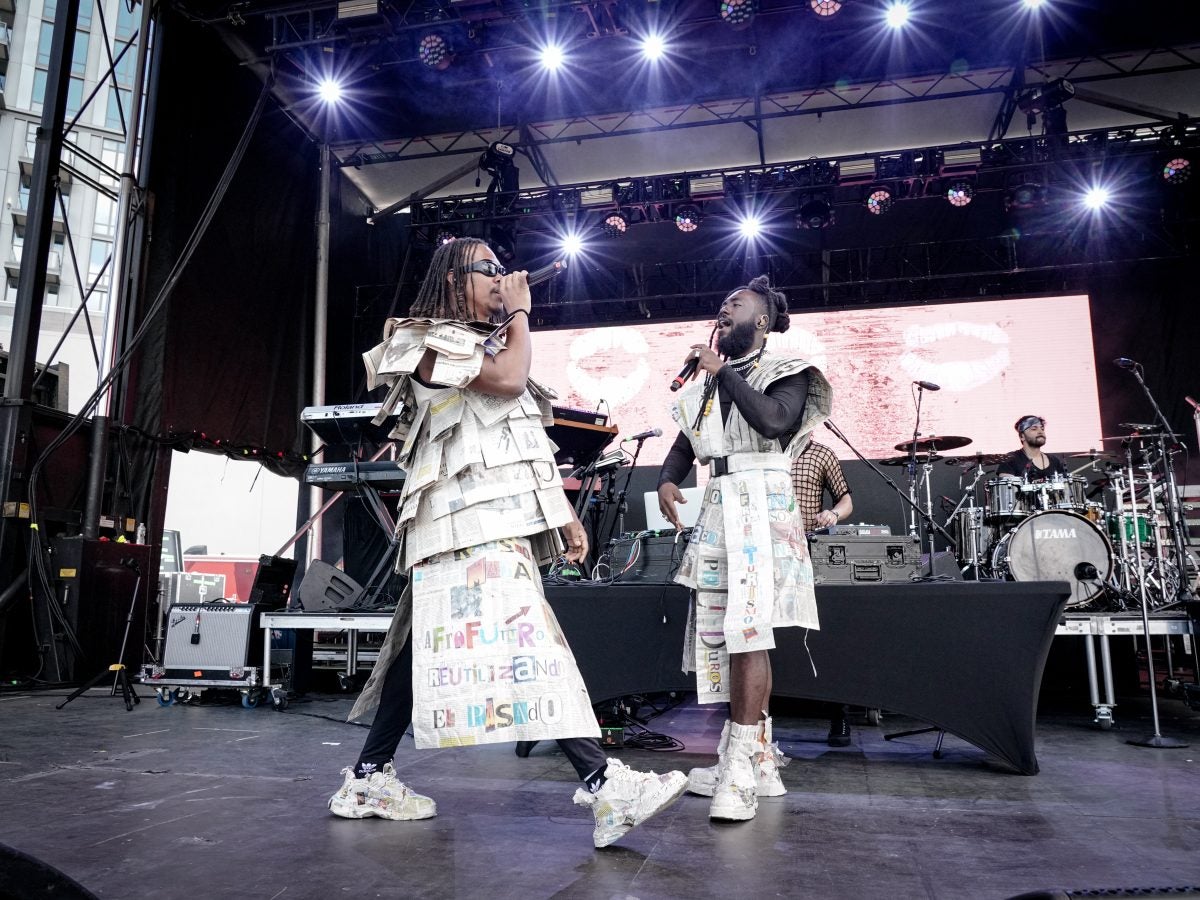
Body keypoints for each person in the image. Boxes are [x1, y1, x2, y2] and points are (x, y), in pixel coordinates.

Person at [331, 237, 686, 849]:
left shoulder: (491, 345)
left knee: (420, 650)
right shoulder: (418, 340)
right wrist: (521, 312)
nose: (502, 279)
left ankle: (368, 775)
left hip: (487, 525)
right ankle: (605, 786)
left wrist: (563, 516)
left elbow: (521, 447)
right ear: (452, 281)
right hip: (456, 527)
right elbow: (505, 379)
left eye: (504, 271)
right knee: (533, 639)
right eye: (488, 271)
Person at [656, 275, 832, 822]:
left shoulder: (789, 370)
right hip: (721, 508)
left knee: (749, 631)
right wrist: (667, 480)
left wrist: (722, 372)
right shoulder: (710, 384)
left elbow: (774, 421)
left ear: (761, 320)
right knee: (735, 637)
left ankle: (738, 768)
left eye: (737, 303)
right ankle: (759, 762)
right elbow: (687, 443)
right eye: (722, 301)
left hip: (764, 503)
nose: (723, 307)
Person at [791, 441, 855, 747]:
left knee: (825, 633)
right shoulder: (765, 448)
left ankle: (838, 714)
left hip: (809, 548)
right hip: (767, 547)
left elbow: (845, 499)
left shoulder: (822, 453)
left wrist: (833, 514)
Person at [997, 416, 1068, 480]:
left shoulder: (1055, 461)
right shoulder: (1009, 460)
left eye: (1042, 429)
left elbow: (1066, 490)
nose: (1040, 432)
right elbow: (1007, 491)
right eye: (1034, 429)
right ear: (1022, 436)